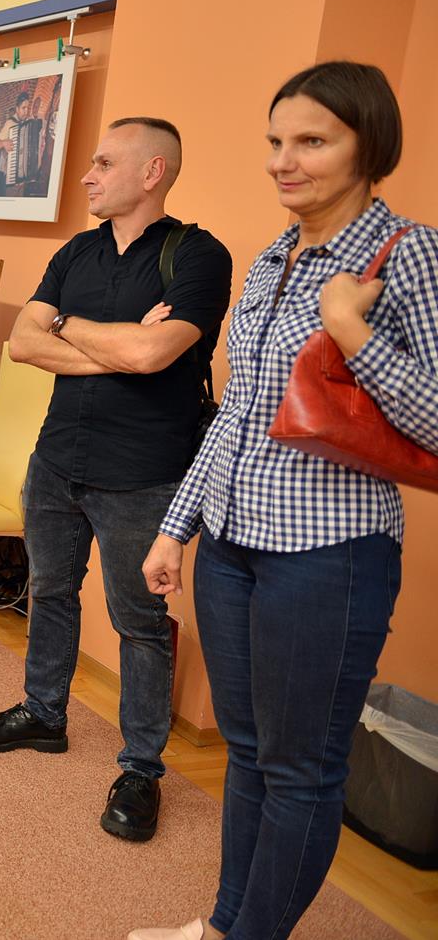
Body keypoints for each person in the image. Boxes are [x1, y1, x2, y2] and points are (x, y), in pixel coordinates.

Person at [131, 64, 437, 940]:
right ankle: (226, 926)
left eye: (312, 141)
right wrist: (176, 527)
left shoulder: (409, 254)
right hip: (232, 544)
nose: (282, 161)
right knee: (250, 754)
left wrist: (352, 330)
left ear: (369, 147)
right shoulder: (274, 255)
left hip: (328, 554)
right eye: (275, 141)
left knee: (301, 769)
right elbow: (236, 414)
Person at [0, 118, 233, 844]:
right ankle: (43, 713)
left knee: (140, 623)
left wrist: (69, 328)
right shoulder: (77, 251)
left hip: (143, 474)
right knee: (48, 591)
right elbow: (23, 343)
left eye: (105, 163)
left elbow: (153, 356)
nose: (87, 175)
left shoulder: (197, 255)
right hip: (57, 459)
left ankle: (141, 768)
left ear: (153, 172)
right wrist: (117, 339)